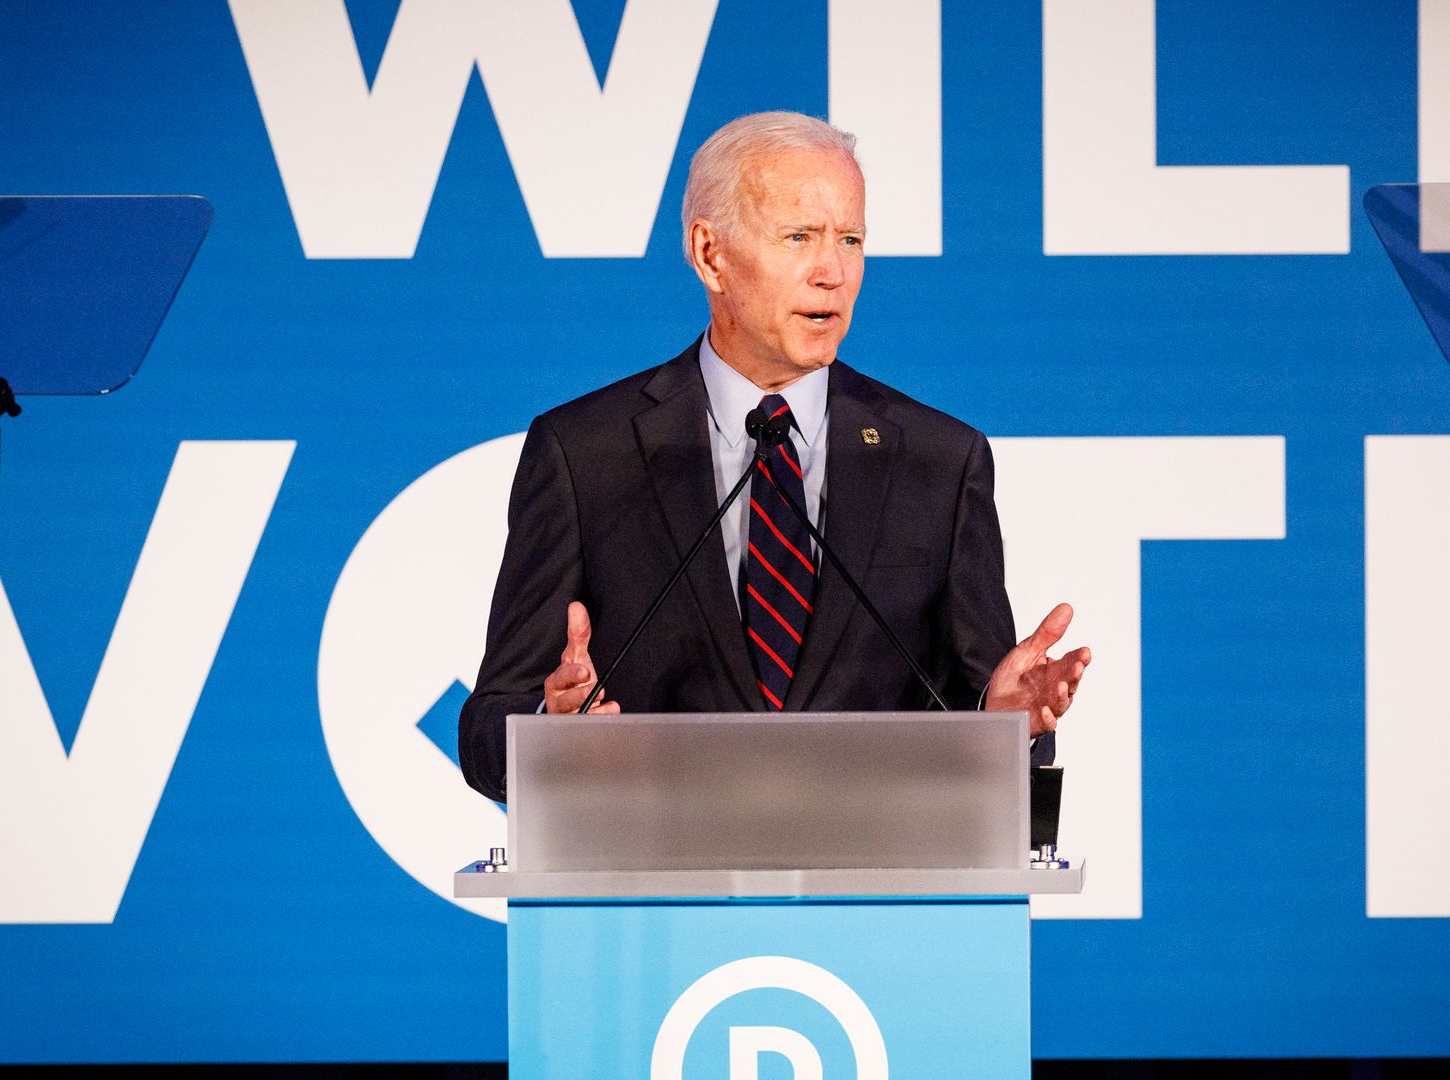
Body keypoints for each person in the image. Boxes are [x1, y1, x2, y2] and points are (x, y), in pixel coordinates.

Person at [458, 111, 1090, 803]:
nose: (833, 272)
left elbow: (985, 707)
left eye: (851, 239)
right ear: (710, 254)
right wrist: (551, 731)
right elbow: (490, 726)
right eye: (800, 237)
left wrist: (1005, 725)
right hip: (652, 895)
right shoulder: (586, 453)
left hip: (875, 894)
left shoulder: (939, 460)